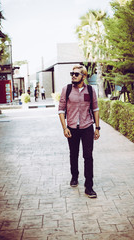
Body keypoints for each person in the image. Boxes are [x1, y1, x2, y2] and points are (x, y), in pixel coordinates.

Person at [58, 64, 100, 198]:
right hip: (71, 127)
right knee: (73, 154)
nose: (73, 76)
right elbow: (61, 110)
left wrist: (97, 128)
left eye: (76, 74)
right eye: (72, 74)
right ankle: (74, 176)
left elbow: (95, 109)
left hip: (87, 126)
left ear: (83, 76)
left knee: (88, 156)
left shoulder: (90, 90)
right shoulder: (67, 89)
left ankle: (89, 187)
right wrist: (65, 128)